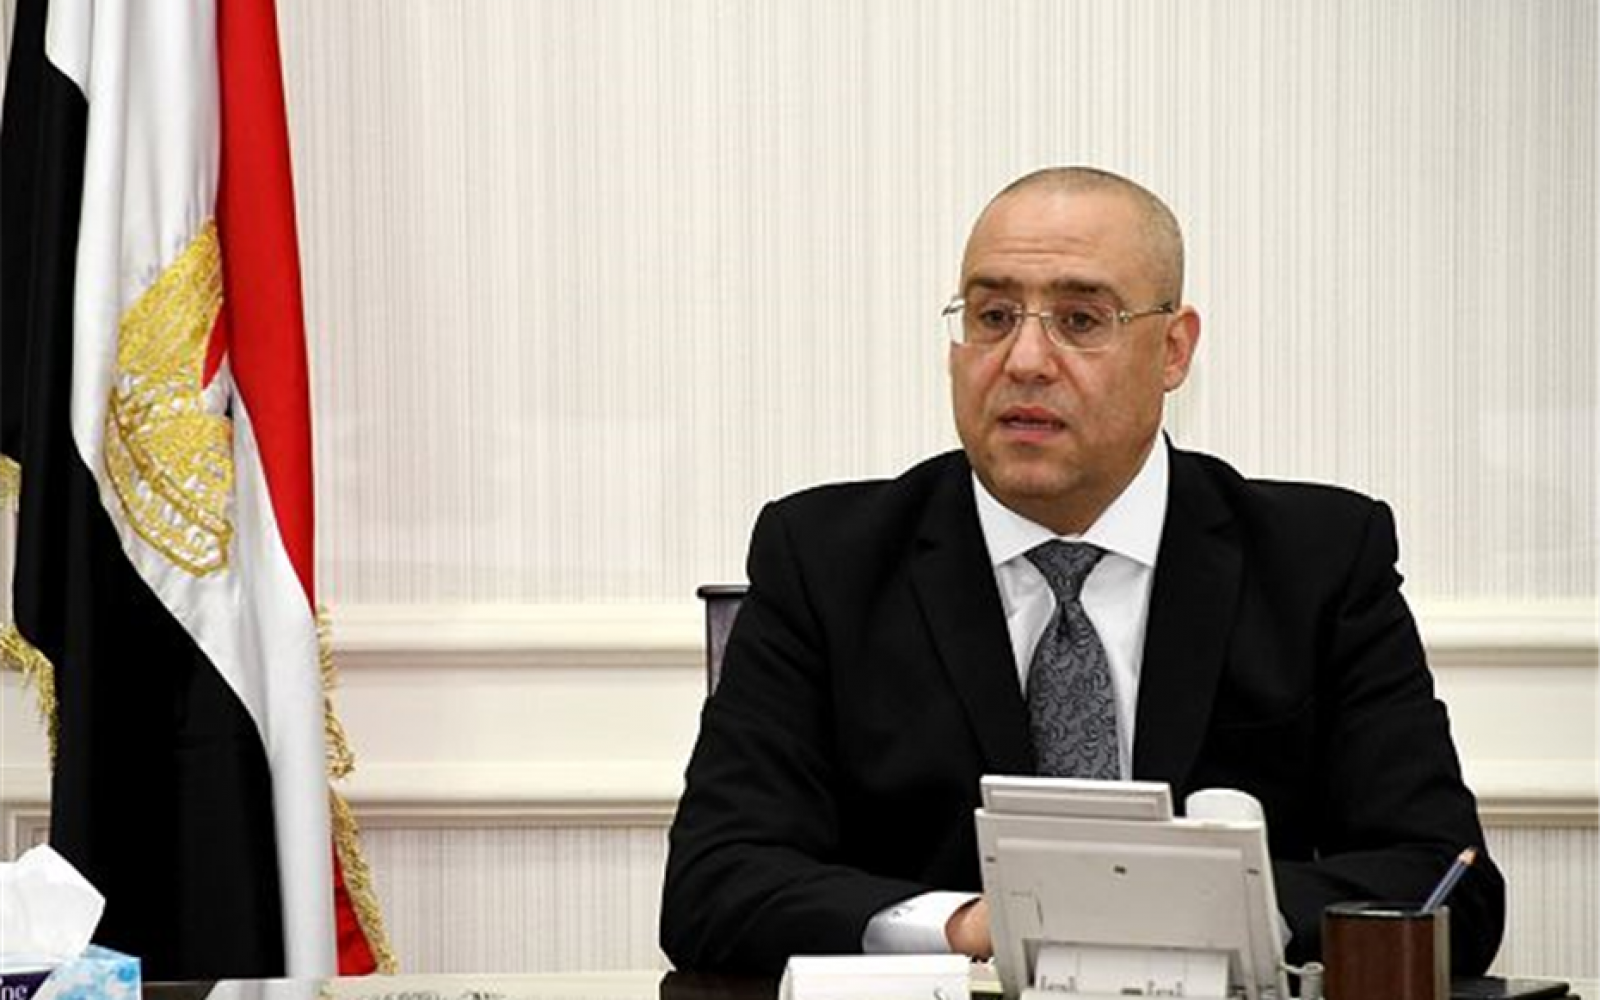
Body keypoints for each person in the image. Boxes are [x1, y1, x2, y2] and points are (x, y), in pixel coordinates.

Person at [660, 166, 1505, 976]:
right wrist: (975, 925)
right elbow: (715, 884)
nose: (1025, 360)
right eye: (993, 316)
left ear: (1173, 349)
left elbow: (1446, 881)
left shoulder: (1317, 560)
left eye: (1080, 320)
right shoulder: (826, 559)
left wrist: (1198, 911)